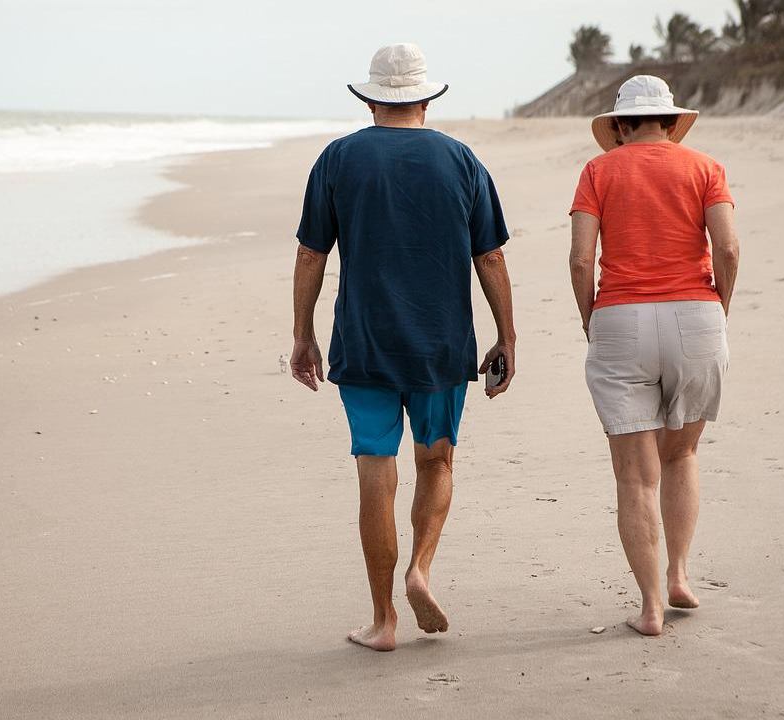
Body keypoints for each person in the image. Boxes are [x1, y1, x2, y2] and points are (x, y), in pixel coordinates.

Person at [291, 43, 515, 651]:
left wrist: (302, 333)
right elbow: (489, 255)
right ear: (426, 97)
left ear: (369, 99)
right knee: (436, 460)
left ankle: (384, 619)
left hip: (364, 341)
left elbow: (313, 253)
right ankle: (420, 568)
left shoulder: (338, 159)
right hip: (441, 344)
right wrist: (507, 335)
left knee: (375, 467)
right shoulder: (462, 160)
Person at [568, 75, 741, 637]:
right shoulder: (705, 168)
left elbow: (580, 260)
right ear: (671, 122)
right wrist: (720, 307)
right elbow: (729, 248)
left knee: (634, 476)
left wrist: (592, 319)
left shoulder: (598, 171)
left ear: (619, 126)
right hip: (696, 314)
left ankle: (648, 608)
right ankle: (680, 575)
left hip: (620, 318)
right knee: (682, 455)